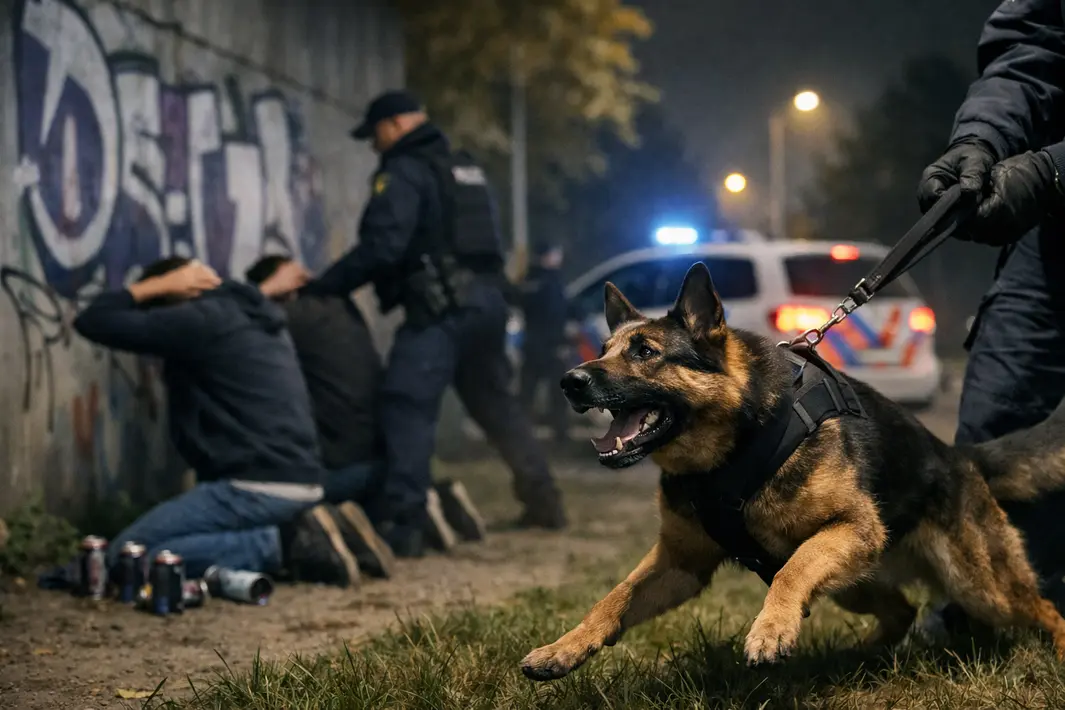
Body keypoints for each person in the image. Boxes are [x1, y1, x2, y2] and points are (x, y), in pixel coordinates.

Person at [301, 89, 567, 558]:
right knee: (498, 407)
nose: (374, 145)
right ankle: (544, 500)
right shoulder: (463, 167)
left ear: (395, 125)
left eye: (375, 135)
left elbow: (384, 247)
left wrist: (325, 286)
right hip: (487, 304)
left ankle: (403, 524)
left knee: (406, 404)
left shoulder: (404, 170)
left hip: (441, 309)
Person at [72, 257, 388, 586]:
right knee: (166, 546)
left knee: (125, 557)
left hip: (254, 487)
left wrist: (157, 286)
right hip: (301, 479)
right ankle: (314, 528)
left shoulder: (199, 320)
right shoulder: (250, 314)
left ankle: (286, 543)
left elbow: (93, 320)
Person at [915, 0, 1065, 633]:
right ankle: (988, 604)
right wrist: (979, 141)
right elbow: (1031, 52)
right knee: (999, 422)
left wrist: (1056, 169)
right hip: (1054, 230)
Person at [245, 254, 486, 552]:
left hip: (347, 465)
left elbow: (236, 320)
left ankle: (395, 510)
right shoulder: (339, 307)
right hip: (388, 459)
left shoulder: (292, 318)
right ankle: (431, 500)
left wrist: (263, 292)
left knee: (285, 500)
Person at [518, 241, 571, 442]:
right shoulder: (552, 281)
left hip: (532, 344)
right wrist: (561, 341)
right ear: (547, 256)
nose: (559, 258)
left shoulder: (528, 279)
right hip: (550, 345)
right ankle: (560, 436)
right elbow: (556, 314)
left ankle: (519, 434)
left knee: (527, 392)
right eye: (556, 253)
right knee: (557, 393)